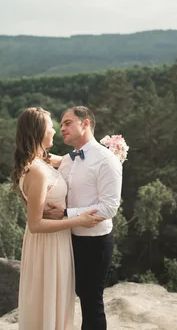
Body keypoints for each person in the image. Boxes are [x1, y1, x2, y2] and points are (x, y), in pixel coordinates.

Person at [12, 107, 104, 330]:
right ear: (38, 132)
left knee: (55, 302)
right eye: (51, 125)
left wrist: (108, 155)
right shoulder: (38, 171)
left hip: (55, 241)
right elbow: (35, 224)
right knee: (50, 302)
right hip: (47, 244)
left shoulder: (41, 162)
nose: (55, 130)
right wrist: (78, 220)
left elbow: (71, 161)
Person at [45, 105, 123, 330]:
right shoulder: (68, 160)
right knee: (74, 295)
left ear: (86, 123)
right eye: (60, 126)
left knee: (91, 301)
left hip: (96, 242)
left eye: (67, 123)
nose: (62, 129)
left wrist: (66, 214)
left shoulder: (107, 160)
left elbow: (109, 208)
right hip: (67, 238)